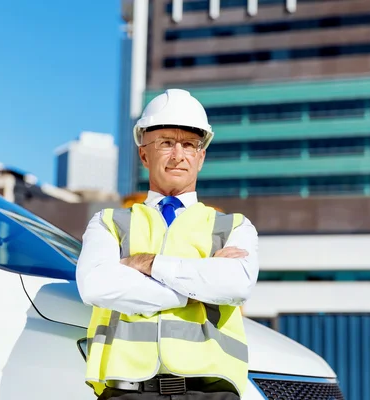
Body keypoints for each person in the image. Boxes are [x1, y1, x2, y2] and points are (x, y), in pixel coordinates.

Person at [76, 88, 259, 400]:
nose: (178, 155)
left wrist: (148, 264)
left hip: (211, 394)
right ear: (144, 154)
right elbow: (95, 286)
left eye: (189, 145)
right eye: (166, 144)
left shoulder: (233, 227)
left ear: (201, 157)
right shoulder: (108, 222)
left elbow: (235, 286)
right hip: (127, 394)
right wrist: (197, 288)